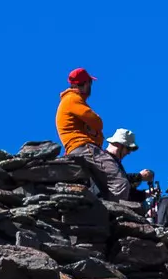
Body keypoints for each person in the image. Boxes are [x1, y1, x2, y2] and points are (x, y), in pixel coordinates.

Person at [55, 68, 132, 201]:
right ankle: (115, 215)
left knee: (100, 186)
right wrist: (95, 130)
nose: (91, 86)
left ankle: (105, 213)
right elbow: (97, 122)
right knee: (119, 182)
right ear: (85, 83)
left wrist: (94, 131)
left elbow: (95, 129)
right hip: (85, 147)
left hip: (75, 149)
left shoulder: (70, 100)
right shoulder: (73, 99)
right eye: (90, 83)